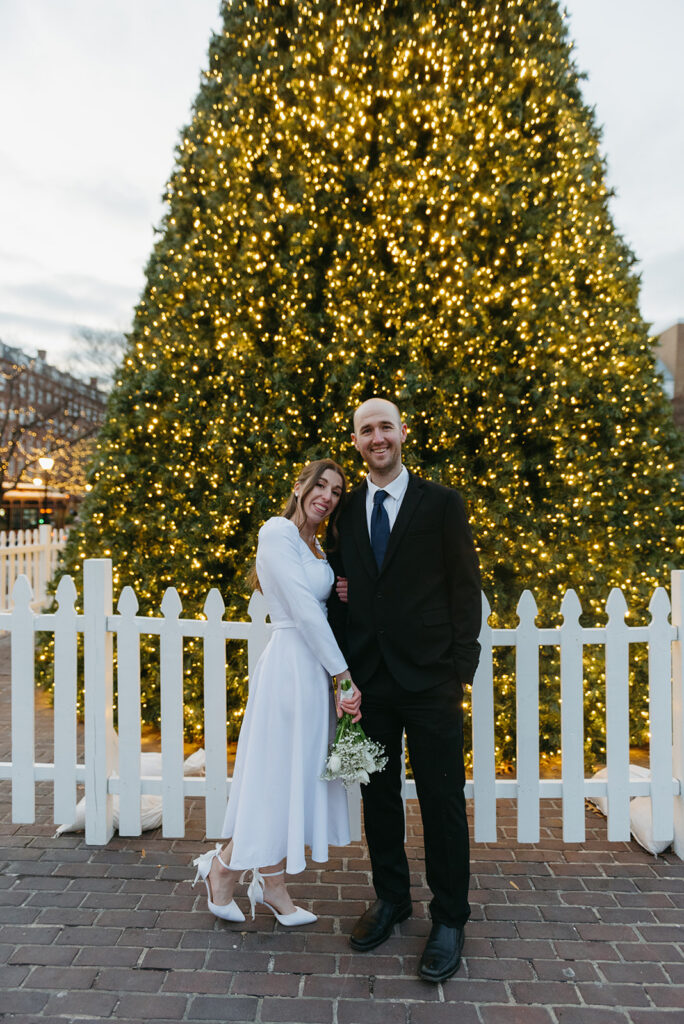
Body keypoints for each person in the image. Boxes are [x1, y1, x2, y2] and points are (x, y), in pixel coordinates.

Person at [327, 398, 481, 981]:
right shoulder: (345, 512)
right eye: (366, 430)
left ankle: (449, 916)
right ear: (358, 441)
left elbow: (466, 590)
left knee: (442, 801)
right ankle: (392, 899)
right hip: (371, 682)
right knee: (378, 798)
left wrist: (458, 672)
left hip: (432, 680)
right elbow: (338, 590)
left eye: (385, 426)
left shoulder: (441, 504)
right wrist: (344, 671)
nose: (377, 437)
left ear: (403, 432)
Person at [192, 459, 362, 927]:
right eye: (320, 485)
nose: (327, 496)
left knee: (294, 777)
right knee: (274, 777)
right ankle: (226, 871)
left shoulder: (316, 546)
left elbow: (320, 600)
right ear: (301, 486)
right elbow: (305, 613)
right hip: (291, 664)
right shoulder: (277, 532)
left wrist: (341, 590)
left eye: (336, 491)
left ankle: (268, 880)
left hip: (313, 670)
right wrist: (344, 675)